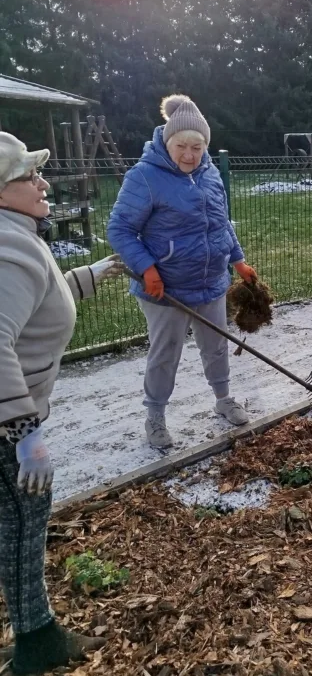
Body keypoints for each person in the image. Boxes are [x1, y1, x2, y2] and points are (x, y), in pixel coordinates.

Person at [0, 132, 124, 675]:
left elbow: (39, 301)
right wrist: (25, 433)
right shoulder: (7, 248)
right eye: (29, 176)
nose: (42, 182)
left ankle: (33, 628)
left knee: (16, 522)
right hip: (8, 424)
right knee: (23, 524)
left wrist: (89, 276)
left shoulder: (16, 236)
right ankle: (37, 641)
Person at [107, 95, 257, 448]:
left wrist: (238, 260)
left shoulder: (211, 172)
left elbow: (221, 224)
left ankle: (223, 400)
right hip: (166, 289)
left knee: (217, 346)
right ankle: (155, 418)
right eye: (181, 146)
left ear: (206, 145)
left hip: (210, 281)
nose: (190, 155)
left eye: (198, 146)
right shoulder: (144, 176)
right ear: (166, 141)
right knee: (165, 353)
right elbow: (120, 229)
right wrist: (147, 269)